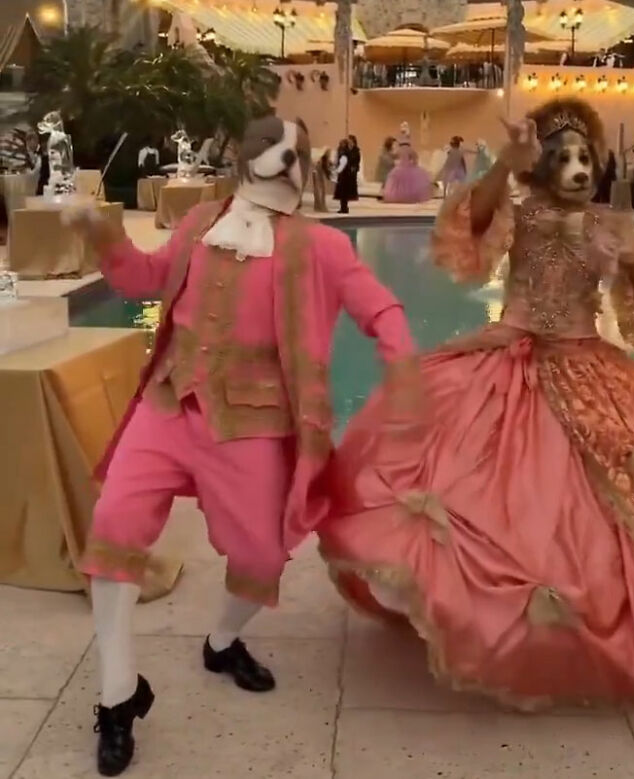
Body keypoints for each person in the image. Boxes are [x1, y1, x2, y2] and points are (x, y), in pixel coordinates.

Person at [319, 98, 634, 707]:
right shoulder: (520, 213)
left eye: (583, 157)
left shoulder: (609, 225)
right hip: (513, 349)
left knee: (614, 499)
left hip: (586, 359)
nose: (575, 167)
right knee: (465, 477)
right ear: (542, 165)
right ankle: (470, 606)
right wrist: (504, 168)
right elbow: (470, 224)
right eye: (561, 158)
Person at [64, 116, 415, 777]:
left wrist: (402, 362)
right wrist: (104, 235)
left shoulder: (320, 246)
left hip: (254, 419)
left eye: (295, 151)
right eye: (271, 147)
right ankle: (118, 694)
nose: (284, 157)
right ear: (240, 155)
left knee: (260, 554)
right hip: (169, 401)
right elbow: (142, 278)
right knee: (112, 526)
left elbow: (380, 307)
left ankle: (222, 643)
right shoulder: (199, 222)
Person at [383, 122, 434, 204]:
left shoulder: (399, 150)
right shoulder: (410, 150)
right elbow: (415, 158)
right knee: (411, 184)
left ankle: (399, 197)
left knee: (397, 182)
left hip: (400, 168)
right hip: (408, 167)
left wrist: (390, 154)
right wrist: (413, 165)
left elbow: (394, 155)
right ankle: (410, 197)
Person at [334, 138, 353, 214]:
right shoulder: (348, 152)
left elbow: (342, 164)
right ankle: (344, 207)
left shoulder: (343, 153)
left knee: (343, 193)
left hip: (344, 175)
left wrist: (337, 171)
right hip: (346, 175)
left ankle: (343, 208)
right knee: (344, 194)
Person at [347, 134, 361, 202]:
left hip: (353, 168)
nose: (350, 143)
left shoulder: (356, 150)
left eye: (351, 141)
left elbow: (358, 159)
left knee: (353, 182)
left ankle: (353, 196)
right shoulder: (346, 149)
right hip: (347, 168)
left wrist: (354, 167)